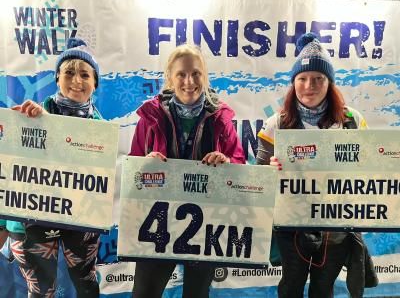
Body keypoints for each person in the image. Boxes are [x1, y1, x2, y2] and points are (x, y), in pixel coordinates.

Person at [256, 33, 377, 298]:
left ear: (329, 83)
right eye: (302, 78)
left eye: (318, 78)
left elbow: (370, 171)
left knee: (324, 288)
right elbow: (258, 177)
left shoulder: (351, 121)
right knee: (291, 286)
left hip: (335, 226)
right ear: (293, 82)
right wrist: (270, 170)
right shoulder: (276, 123)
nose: (309, 85)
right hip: (292, 226)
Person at [129, 44, 245, 298]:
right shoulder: (150, 118)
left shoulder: (221, 119)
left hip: (205, 225)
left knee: (196, 294)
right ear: (170, 78)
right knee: (144, 293)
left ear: (204, 76)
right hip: (158, 220)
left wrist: (226, 163)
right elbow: (132, 170)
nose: (189, 81)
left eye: (196, 73)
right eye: (181, 74)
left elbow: (239, 165)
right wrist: (143, 164)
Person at [11, 37, 102, 297]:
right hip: (33, 219)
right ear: (57, 78)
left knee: (87, 285)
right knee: (40, 291)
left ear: (95, 83)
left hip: (81, 218)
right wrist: (29, 124)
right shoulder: (32, 116)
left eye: (85, 74)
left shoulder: (102, 130)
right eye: (69, 72)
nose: (77, 80)